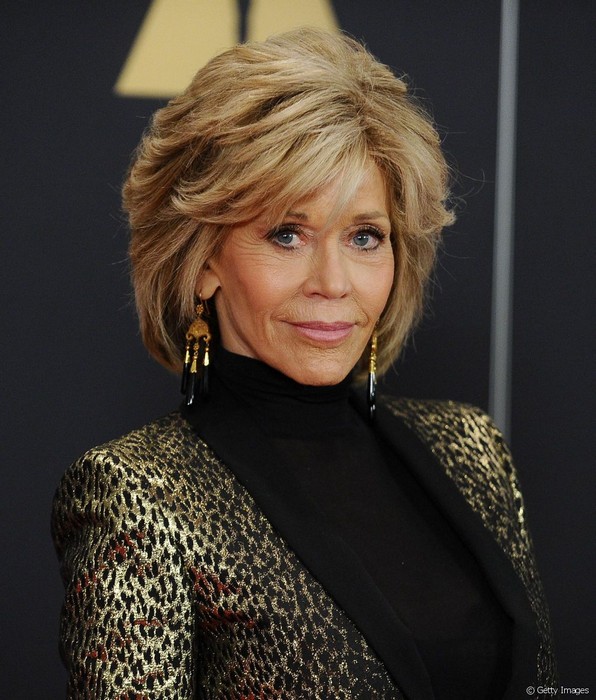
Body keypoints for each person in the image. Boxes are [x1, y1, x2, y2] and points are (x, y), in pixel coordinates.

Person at [52, 28, 556, 699]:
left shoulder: (471, 448)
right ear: (202, 261)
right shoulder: (139, 495)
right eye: (287, 235)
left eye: (365, 237)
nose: (334, 282)